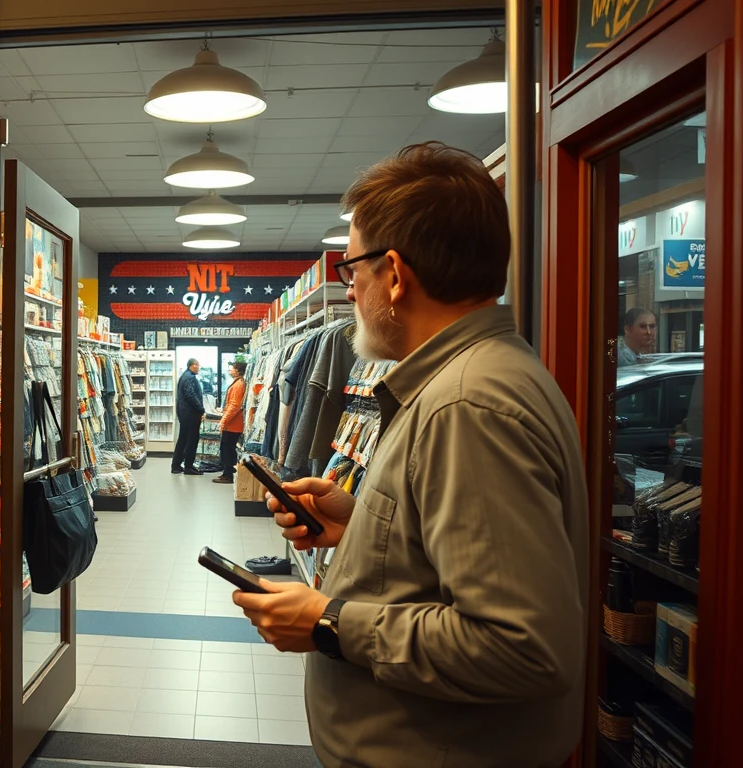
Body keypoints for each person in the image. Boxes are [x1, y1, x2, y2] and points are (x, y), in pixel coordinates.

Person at [232, 142, 589, 767]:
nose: (348, 294)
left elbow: (521, 646)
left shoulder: (465, 405)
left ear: (394, 275)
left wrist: (329, 622)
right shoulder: (482, 376)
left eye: (352, 270)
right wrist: (361, 526)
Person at [214, 360, 248, 484]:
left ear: (238, 370)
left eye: (232, 368)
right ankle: (228, 473)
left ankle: (229, 474)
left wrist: (223, 421)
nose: (230, 370)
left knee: (227, 449)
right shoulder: (238, 383)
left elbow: (234, 405)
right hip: (233, 424)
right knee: (227, 448)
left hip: (233, 425)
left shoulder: (239, 385)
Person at [171, 358, 206, 475]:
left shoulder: (185, 376)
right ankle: (188, 467)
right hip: (191, 414)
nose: (199, 366)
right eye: (197, 364)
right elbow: (191, 395)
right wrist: (201, 409)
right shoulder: (189, 377)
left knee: (183, 439)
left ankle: (176, 465)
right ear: (192, 365)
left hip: (185, 413)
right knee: (192, 440)